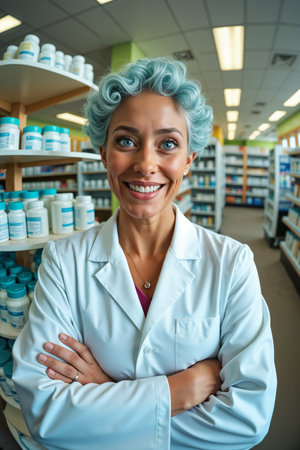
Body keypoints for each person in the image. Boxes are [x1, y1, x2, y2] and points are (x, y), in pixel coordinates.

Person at [13, 57, 276, 450]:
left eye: (167, 144)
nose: (146, 164)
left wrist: (105, 393)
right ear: (103, 153)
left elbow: (248, 418)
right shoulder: (63, 261)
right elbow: (45, 414)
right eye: (126, 140)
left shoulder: (232, 262)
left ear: (188, 160)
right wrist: (177, 390)